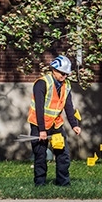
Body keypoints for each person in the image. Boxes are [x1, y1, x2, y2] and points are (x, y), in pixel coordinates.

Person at [27, 55, 81, 186]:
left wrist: (74, 124)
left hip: (56, 125)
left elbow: (68, 106)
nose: (64, 76)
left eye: (66, 74)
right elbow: (39, 108)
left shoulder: (66, 85)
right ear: (54, 70)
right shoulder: (42, 83)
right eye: (62, 73)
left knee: (63, 155)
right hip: (39, 125)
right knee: (40, 156)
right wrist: (42, 130)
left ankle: (63, 183)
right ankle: (40, 184)